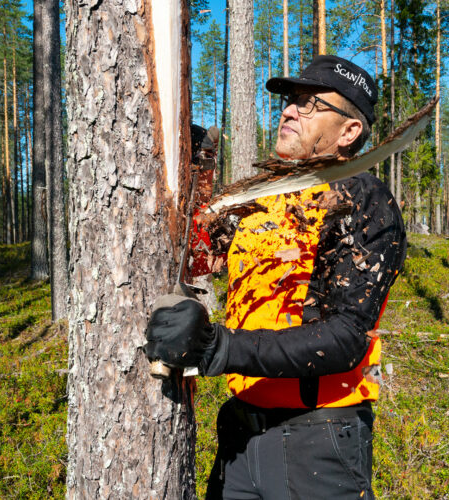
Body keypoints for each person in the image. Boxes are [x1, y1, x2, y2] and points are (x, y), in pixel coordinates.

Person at [144, 55, 407, 500]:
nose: (289, 111)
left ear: (349, 132)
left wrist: (219, 347)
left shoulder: (362, 199)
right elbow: (200, 259)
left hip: (317, 440)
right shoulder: (264, 199)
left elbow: (346, 336)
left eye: (310, 104)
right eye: (291, 100)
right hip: (239, 434)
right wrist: (197, 175)